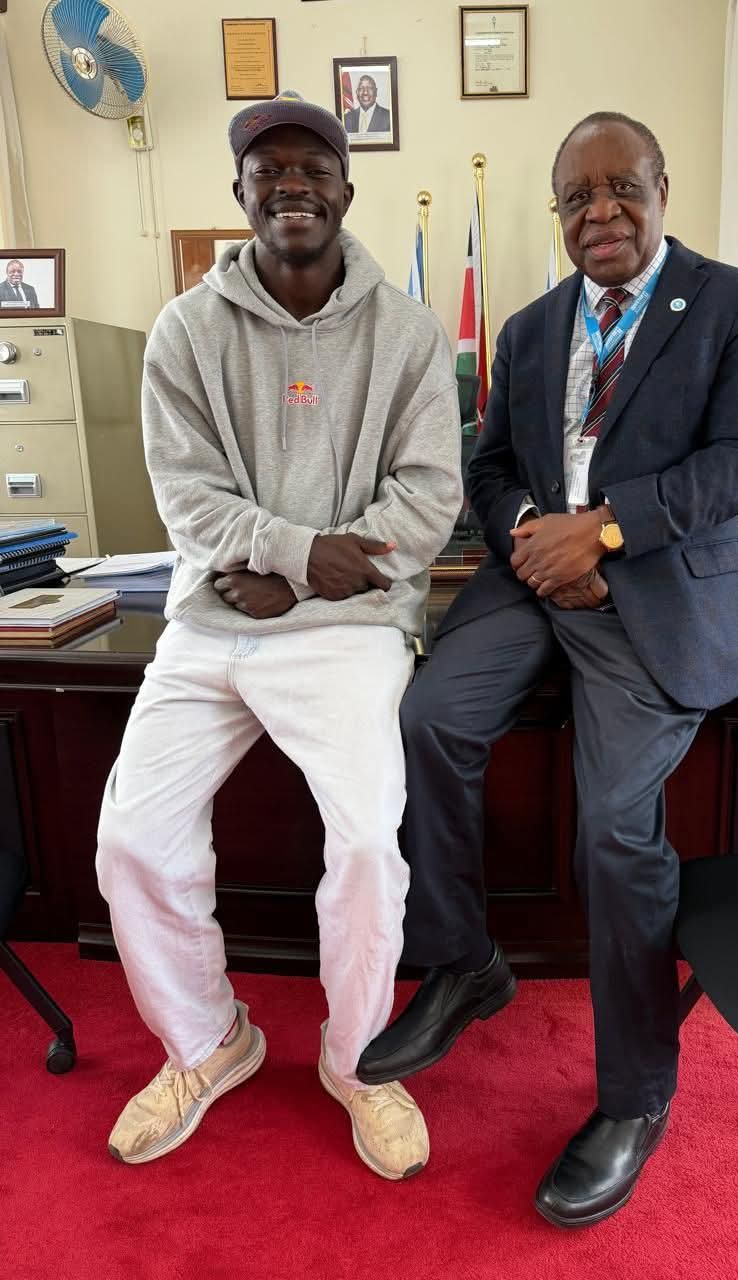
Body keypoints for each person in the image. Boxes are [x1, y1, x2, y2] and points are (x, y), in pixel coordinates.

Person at [357, 111, 738, 1224]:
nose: (600, 212)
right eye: (577, 197)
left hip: (651, 591)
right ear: (558, 214)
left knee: (615, 830)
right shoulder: (533, 325)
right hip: (531, 580)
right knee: (428, 720)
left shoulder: (733, 303)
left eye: (620, 187)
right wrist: (531, 538)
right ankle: (464, 961)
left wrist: (602, 533)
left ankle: (636, 1096)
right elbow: (491, 463)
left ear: (661, 187)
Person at [95, 91, 462, 1180]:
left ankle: (359, 1061)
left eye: (313, 167)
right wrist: (304, 553)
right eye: (269, 170)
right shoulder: (184, 331)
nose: (291, 184)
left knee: (367, 846)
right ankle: (210, 1041)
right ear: (241, 191)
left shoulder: (408, 333)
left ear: (347, 188)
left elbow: (427, 503)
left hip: (349, 627)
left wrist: (296, 577)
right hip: (215, 618)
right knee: (131, 839)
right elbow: (187, 501)